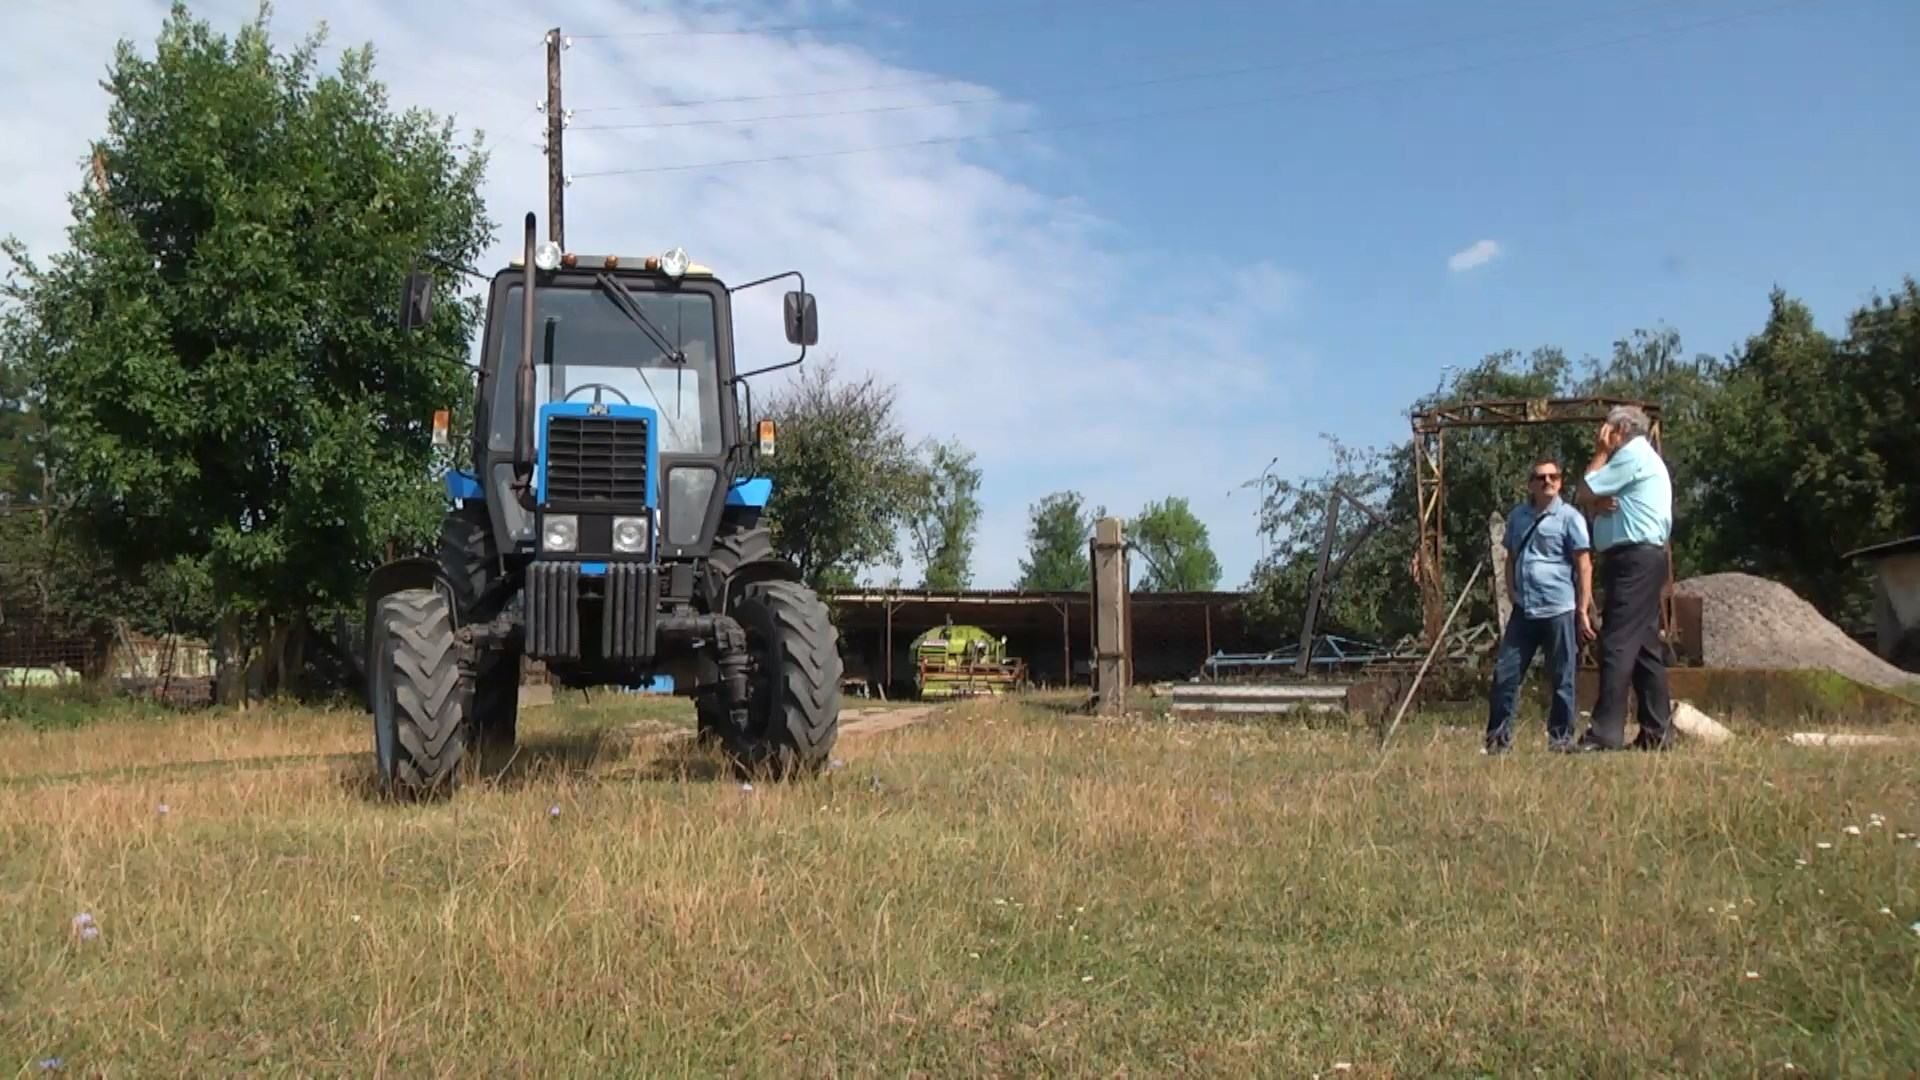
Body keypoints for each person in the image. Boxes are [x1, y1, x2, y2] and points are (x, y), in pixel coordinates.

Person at [1573, 404, 1675, 751]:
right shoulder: (1639, 459)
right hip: (1640, 558)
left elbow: (1584, 489)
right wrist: (1597, 504)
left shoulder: (1630, 455)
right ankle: (1657, 732)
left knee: (1615, 641)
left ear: (1620, 430)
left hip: (1634, 558)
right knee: (1645, 647)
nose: (1602, 435)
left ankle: (1605, 734)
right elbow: (1592, 499)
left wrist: (1600, 454)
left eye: (1607, 430)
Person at [1484, 456, 1592, 754]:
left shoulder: (1570, 518)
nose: (1547, 482)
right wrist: (1512, 593)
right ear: (1530, 484)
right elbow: (1511, 557)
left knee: (1562, 676)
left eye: (1553, 477)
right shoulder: (1518, 517)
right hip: (1525, 608)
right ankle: (1497, 741)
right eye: (1541, 478)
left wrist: (1582, 609)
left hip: (1559, 607)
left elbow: (1583, 564)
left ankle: (1560, 739)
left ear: (1560, 482)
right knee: (1506, 674)